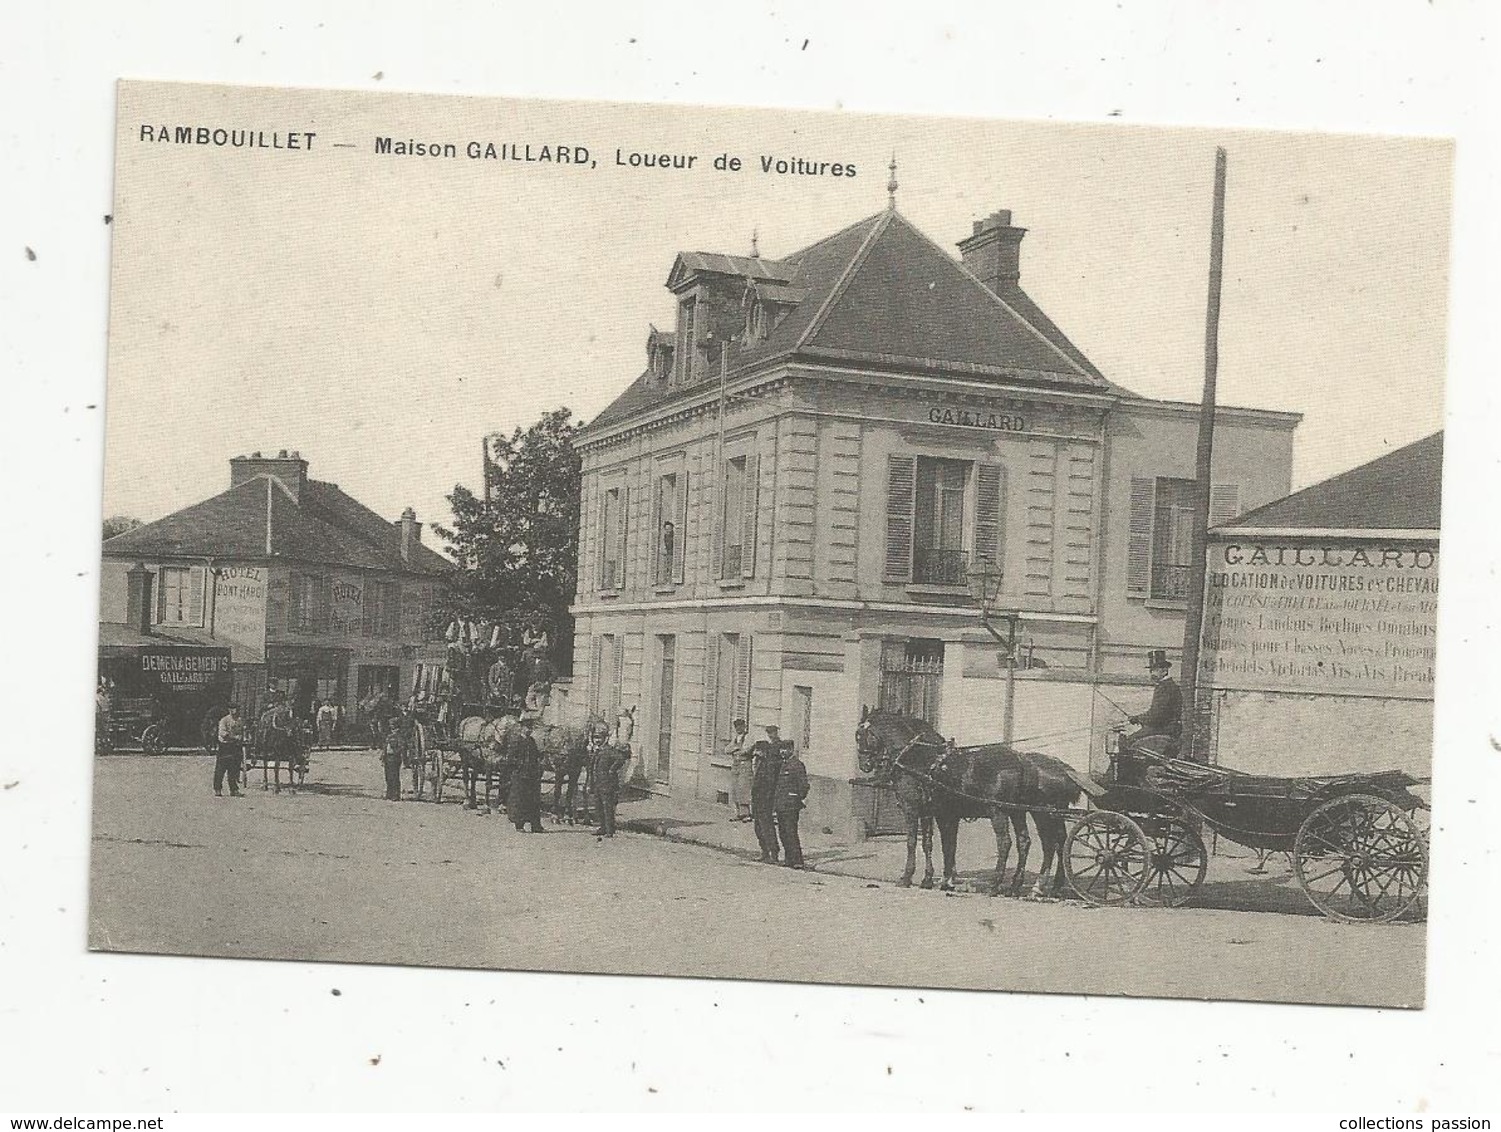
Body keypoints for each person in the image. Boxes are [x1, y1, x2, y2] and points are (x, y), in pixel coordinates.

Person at [1127, 649, 1184, 755]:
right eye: (1151, 670)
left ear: (1164, 670)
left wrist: (1138, 718)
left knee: (1129, 740)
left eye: (1154, 670)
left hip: (1164, 729)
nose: (1151, 673)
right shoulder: (1166, 686)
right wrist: (1140, 719)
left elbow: (1157, 715)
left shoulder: (1166, 687)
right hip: (1165, 727)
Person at [504, 713, 546, 833]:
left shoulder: (532, 741)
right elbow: (510, 759)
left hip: (532, 775)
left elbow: (536, 755)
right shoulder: (516, 741)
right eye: (527, 728)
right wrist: (519, 765)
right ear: (522, 728)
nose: (529, 730)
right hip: (520, 775)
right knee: (520, 800)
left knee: (534, 800)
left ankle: (535, 825)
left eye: (531, 728)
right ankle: (519, 825)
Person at [773, 738, 811, 868]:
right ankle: (789, 859)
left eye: (785, 749)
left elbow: (804, 786)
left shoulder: (797, 765)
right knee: (783, 832)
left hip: (791, 805)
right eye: (781, 749)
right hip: (781, 804)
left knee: (791, 832)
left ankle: (797, 861)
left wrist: (796, 797)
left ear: (791, 750)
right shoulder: (782, 764)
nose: (782, 752)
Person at [750, 725, 785, 863]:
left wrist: (772, 800)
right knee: (758, 826)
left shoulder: (769, 765)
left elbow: (771, 783)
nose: (757, 754)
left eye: (759, 752)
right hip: (757, 797)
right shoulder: (759, 764)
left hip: (766, 797)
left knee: (767, 826)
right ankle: (764, 851)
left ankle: (773, 852)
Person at [590, 725, 632, 838]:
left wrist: (612, 770)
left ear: (605, 739)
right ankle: (602, 827)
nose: (597, 740)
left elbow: (621, 759)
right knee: (598, 807)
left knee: (607, 806)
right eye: (595, 738)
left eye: (599, 738)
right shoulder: (596, 750)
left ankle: (609, 830)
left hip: (608, 783)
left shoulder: (609, 750)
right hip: (598, 783)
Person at [214, 705, 245, 797]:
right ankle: (218, 789)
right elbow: (222, 733)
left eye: (235, 709)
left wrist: (242, 736)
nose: (233, 711)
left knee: (234, 769)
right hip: (225, 746)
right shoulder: (224, 720)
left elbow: (242, 731)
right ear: (229, 710)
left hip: (235, 746)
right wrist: (234, 736)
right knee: (221, 769)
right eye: (231, 709)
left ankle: (234, 790)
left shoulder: (239, 720)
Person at [726, 718, 753, 821]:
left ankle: (746, 814)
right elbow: (727, 749)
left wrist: (736, 750)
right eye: (736, 727)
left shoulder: (748, 737)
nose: (738, 728)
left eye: (740, 726)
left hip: (745, 765)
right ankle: (738, 813)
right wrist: (735, 749)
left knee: (744, 788)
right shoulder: (736, 738)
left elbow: (746, 750)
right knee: (735, 788)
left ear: (744, 726)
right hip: (736, 765)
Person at [381, 717, 405, 801]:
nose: (390, 726)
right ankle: (389, 793)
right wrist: (383, 756)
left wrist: (396, 753)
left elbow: (402, 747)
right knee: (388, 776)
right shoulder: (389, 736)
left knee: (394, 776)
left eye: (392, 724)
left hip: (394, 758)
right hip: (387, 757)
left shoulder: (399, 736)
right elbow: (385, 747)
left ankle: (395, 795)